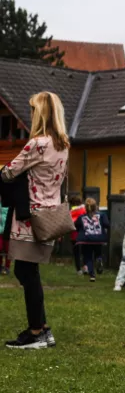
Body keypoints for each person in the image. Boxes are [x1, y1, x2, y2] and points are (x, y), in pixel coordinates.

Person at [2, 92, 71, 350]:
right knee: (29, 271)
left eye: (33, 110)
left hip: (31, 217)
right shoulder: (63, 144)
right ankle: (41, 329)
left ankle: (36, 332)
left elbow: (10, 171)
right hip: (51, 216)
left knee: (25, 271)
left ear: (40, 113)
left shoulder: (38, 144)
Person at [75, 198, 109, 283]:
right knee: (98, 253)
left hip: (86, 240)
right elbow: (107, 224)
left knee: (88, 257)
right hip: (98, 239)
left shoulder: (81, 217)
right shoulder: (102, 215)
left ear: (86, 208)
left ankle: (92, 275)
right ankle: (99, 259)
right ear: (96, 206)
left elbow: (76, 226)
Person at [67, 194, 86, 275]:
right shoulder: (85, 210)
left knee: (77, 253)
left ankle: (78, 270)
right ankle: (86, 267)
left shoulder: (70, 212)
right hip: (85, 234)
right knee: (85, 252)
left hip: (74, 235)